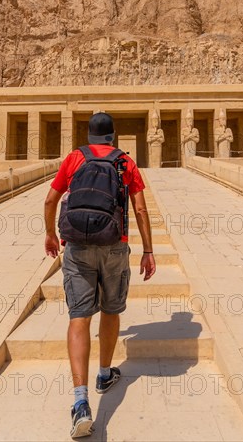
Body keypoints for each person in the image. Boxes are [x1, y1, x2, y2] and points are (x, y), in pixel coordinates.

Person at [44, 112, 156, 439]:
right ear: (113, 136)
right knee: (110, 310)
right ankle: (105, 374)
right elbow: (140, 210)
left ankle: (80, 401)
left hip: (77, 244)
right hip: (114, 245)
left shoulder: (75, 158)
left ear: (89, 135)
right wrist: (148, 251)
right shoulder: (125, 163)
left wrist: (51, 235)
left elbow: (51, 199)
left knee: (79, 316)